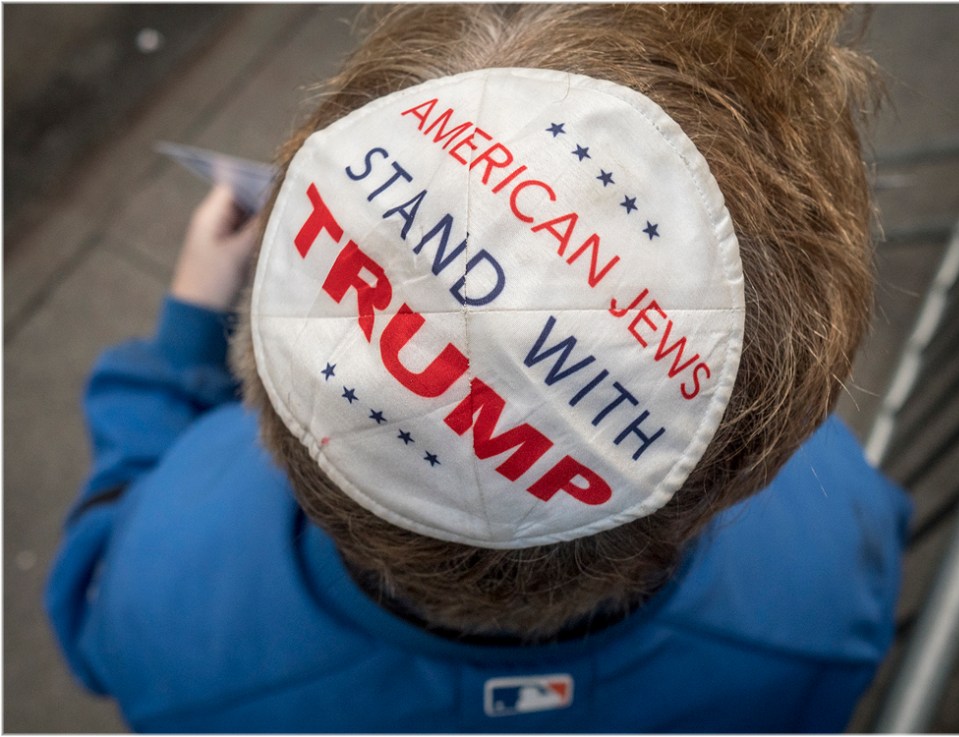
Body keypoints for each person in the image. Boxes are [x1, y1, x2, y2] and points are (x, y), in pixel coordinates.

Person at [47, 5, 911, 732]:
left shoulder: (169, 617)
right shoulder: (830, 590)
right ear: (743, 465)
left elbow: (93, 580)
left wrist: (181, 342)